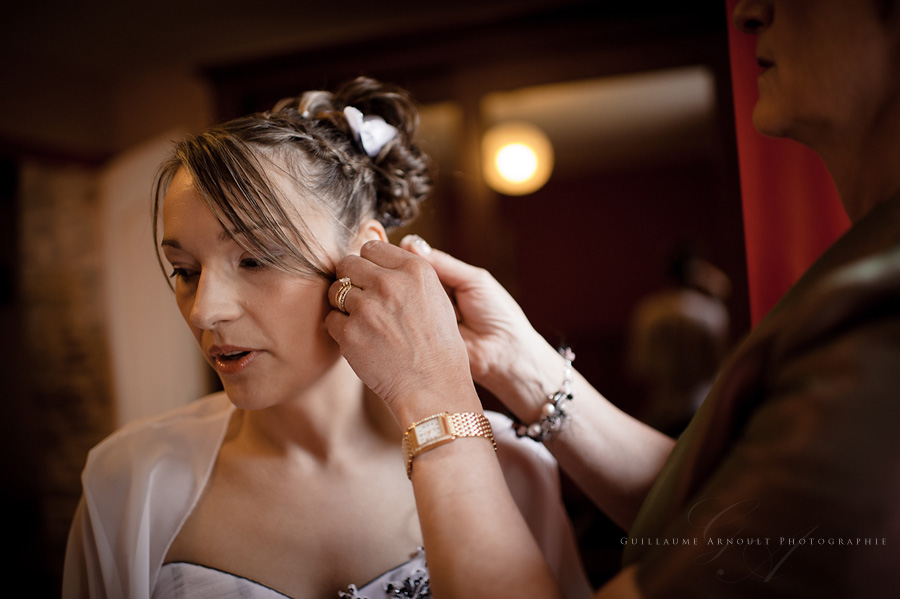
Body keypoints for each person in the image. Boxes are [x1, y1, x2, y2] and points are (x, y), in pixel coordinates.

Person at [324, 1, 900, 597]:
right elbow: (747, 531)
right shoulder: (864, 270)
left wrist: (433, 399)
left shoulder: (883, 319)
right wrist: (518, 362)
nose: (749, 12)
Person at [62, 77, 592, 599]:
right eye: (185, 270)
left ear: (365, 256)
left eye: (255, 259)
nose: (204, 311)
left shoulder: (512, 467)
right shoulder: (130, 480)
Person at [626, 245, 730, 437]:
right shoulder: (711, 311)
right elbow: (719, 365)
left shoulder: (648, 312)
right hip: (704, 407)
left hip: (662, 409)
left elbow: (641, 367)